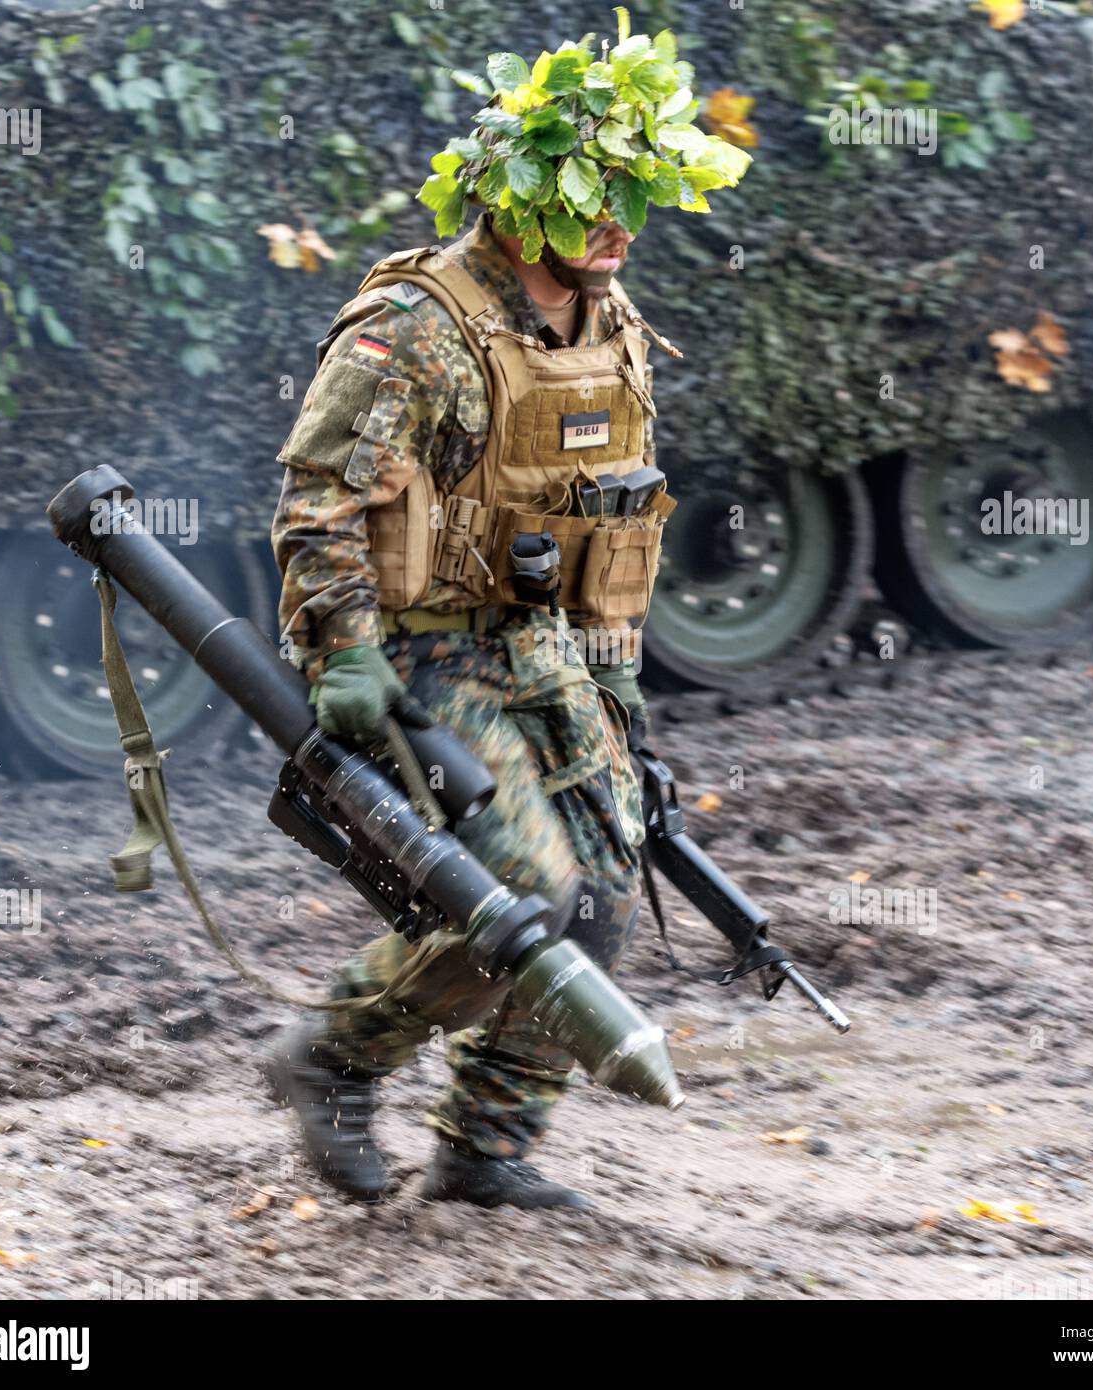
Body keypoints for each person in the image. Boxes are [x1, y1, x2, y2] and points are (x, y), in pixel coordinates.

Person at [265, 16, 750, 1210]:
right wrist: (344, 653)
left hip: (544, 640)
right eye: (594, 194)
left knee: (603, 875)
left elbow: (617, 524)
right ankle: (331, 1056)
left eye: (636, 194)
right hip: (419, 651)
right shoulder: (418, 326)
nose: (619, 223)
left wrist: (621, 704)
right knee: (516, 899)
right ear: (518, 194)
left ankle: (486, 1147)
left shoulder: (614, 325)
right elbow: (317, 498)